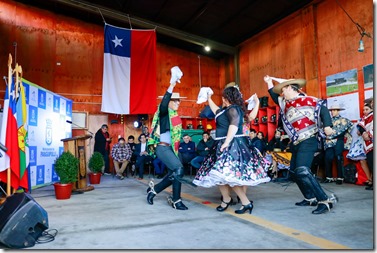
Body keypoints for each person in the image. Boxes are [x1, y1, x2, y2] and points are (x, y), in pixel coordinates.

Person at [264, 75, 337, 215]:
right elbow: (274, 96)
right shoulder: (285, 103)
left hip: (309, 139)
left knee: (302, 170)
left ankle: (325, 200)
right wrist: (269, 83)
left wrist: (327, 126)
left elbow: (323, 109)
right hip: (296, 142)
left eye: (283, 90)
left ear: (291, 88)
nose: (282, 93)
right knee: (294, 173)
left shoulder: (309, 100)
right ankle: (310, 197)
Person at [193, 84, 271, 215]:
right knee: (218, 175)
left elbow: (234, 126)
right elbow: (215, 110)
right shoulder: (224, 110)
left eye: (223, 97)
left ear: (225, 98)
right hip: (222, 143)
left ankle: (245, 202)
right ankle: (227, 199)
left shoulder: (234, 109)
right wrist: (209, 98)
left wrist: (227, 142)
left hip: (232, 144)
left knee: (230, 176)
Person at [146, 66, 193, 210]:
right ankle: (170, 197)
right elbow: (164, 103)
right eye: (176, 100)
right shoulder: (164, 113)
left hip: (172, 148)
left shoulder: (175, 116)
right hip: (162, 147)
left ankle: (171, 197)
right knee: (178, 170)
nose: (178, 103)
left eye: (179, 101)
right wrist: (172, 84)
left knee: (176, 172)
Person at [322, 104, 353, 185]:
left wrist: (330, 135)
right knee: (328, 158)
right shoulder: (328, 120)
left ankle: (340, 177)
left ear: (338, 111)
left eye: (334, 110)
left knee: (338, 158)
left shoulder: (344, 120)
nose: (332, 112)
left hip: (338, 140)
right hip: (329, 142)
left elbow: (342, 130)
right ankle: (329, 177)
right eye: (332, 110)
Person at [357, 102, 373, 190]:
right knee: (369, 162)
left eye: (367, 109)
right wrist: (363, 132)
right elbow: (361, 128)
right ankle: (371, 180)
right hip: (367, 142)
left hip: (371, 141)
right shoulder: (364, 119)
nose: (364, 111)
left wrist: (369, 134)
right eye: (363, 110)